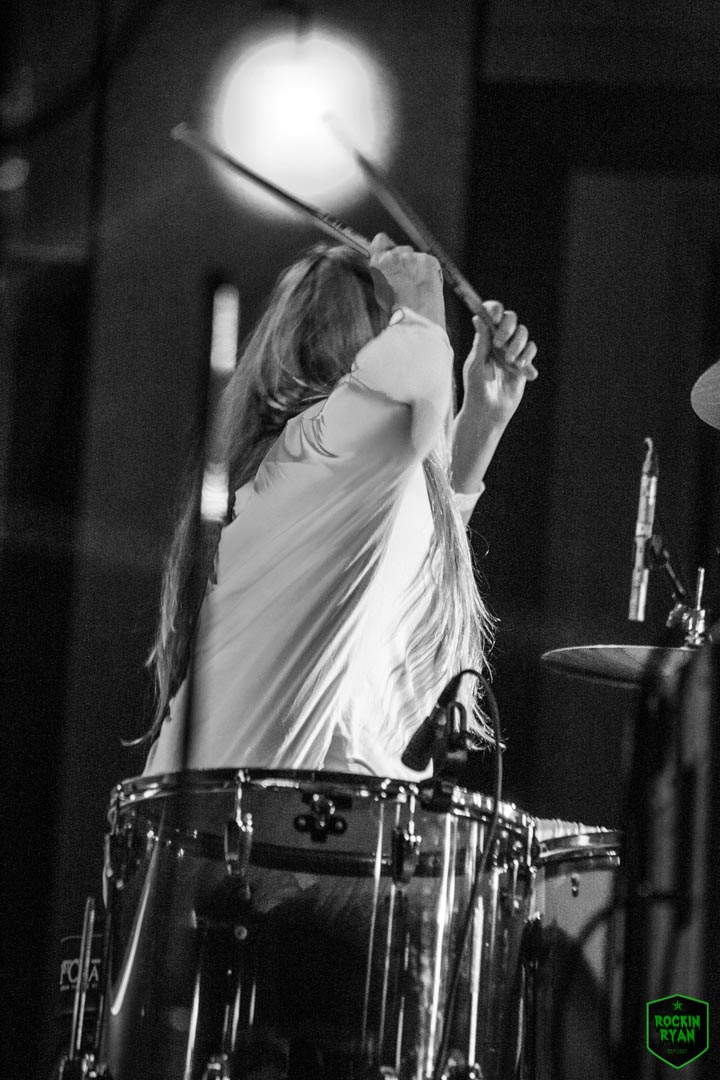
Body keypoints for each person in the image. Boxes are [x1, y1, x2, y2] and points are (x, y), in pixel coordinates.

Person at [141, 234, 537, 780]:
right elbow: (411, 388)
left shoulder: (326, 479)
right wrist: (420, 296)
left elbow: (407, 571)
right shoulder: (312, 452)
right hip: (244, 816)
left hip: (281, 812)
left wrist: (481, 422)